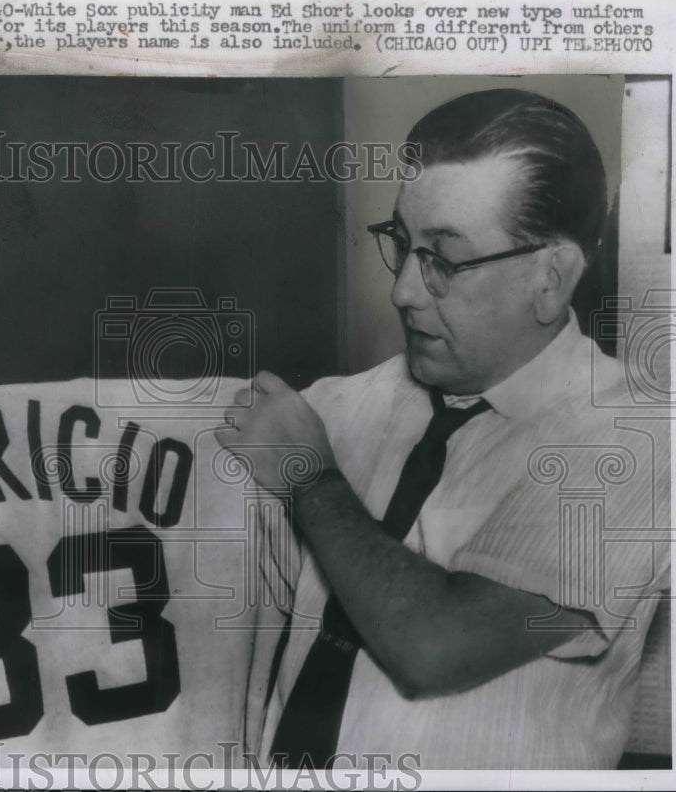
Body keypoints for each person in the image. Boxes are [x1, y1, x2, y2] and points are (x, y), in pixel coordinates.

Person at [220, 89, 670, 769]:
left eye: (444, 260)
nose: (403, 289)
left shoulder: (636, 441)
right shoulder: (337, 409)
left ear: (551, 278)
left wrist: (311, 478)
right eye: (402, 244)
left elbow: (434, 645)